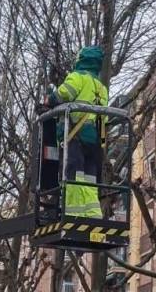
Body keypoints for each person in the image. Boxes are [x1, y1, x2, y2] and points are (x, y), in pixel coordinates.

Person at [48, 45, 109, 218]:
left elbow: (62, 95)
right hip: (94, 140)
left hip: (75, 137)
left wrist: (48, 100)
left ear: (81, 60)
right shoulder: (101, 87)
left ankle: (72, 212)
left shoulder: (77, 77)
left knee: (73, 174)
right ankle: (92, 213)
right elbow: (104, 119)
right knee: (90, 178)